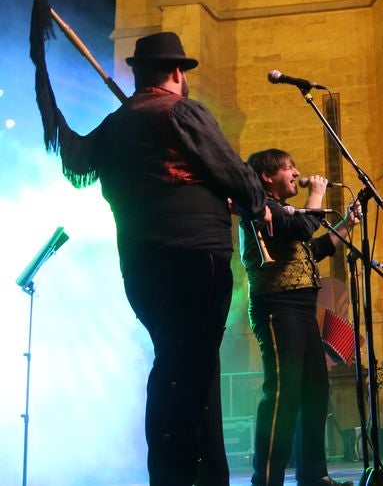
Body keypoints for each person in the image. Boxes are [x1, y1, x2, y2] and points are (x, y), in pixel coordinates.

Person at [30, 29, 268, 486]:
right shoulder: (182, 111)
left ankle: (205, 475)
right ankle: (174, 476)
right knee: (182, 372)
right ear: (178, 72)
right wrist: (251, 199)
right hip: (196, 260)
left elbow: (80, 159)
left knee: (189, 366)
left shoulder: (118, 123)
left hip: (141, 268)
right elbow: (238, 178)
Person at [242, 149, 358, 486]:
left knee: (314, 392)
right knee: (283, 393)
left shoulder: (288, 213)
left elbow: (313, 249)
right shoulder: (261, 208)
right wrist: (317, 194)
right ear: (267, 176)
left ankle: (313, 476)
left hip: (303, 310)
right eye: (288, 168)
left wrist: (345, 226)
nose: (297, 173)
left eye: (295, 167)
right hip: (278, 308)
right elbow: (301, 228)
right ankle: (266, 478)